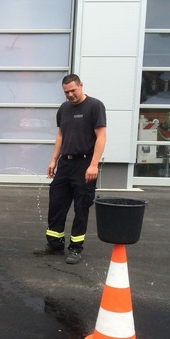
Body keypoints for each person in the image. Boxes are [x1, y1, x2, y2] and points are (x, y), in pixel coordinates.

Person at [35, 74, 107, 264]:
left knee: (81, 206)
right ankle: (55, 244)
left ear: (81, 85)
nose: (70, 95)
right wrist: (53, 160)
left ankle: (75, 248)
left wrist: (94, 164)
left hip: (84, 164)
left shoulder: (95, 106)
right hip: (65, 165)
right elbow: (60, 135)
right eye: (66, 92)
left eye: (73, 90)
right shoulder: (64, 108)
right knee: (56, 203)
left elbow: (101, 136)